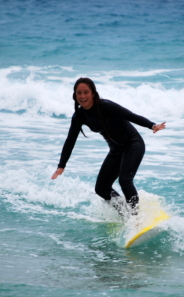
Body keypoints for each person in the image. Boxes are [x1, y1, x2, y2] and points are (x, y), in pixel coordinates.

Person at [51, 78, 166, 215]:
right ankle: (125, 211)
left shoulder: (106, 106)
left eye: (86, 92)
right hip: (116, 150)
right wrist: (61, 165)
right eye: (79, 93)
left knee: (125, 180)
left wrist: (152, 125)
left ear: (93, 93)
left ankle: (137, 217)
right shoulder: (79, 116)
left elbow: (130, 116)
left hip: (132, 143)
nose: (82, 96)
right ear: (75, 95)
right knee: (101, 188)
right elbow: (70, 140)